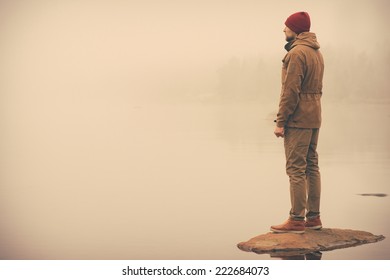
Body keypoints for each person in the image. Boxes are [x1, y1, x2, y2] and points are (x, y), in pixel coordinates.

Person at [271, 11, 324, 233]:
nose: (284, 30)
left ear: (296, 30)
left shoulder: (296, 53)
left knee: (296, 169)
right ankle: (313, 218)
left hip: (299, 119)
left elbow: (290, 91)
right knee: (311, 166)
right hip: (314, 117)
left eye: (287, 26)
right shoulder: (316, 53)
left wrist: (280, 121)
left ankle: (296, 219)